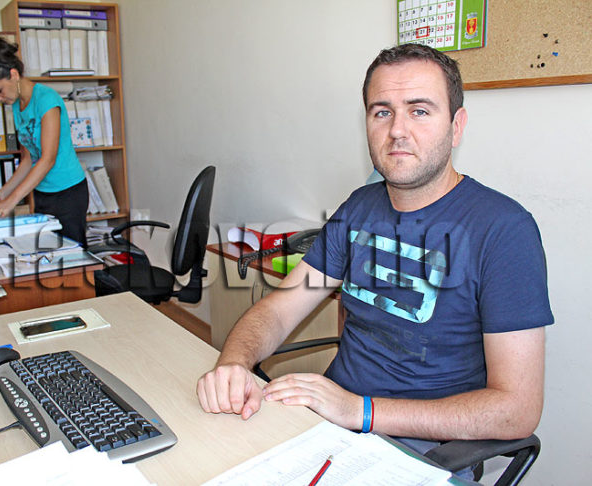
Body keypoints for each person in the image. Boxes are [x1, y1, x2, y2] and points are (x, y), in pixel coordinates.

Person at [196, 44, 553, 456]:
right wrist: (234, 364)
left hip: (418, 449)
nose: (397, 130)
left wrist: (361, 411)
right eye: (382, 112)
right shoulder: (359, 207)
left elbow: (517, 410)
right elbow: (278, 310)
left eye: (419, 111)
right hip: (327, 423)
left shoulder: (504, 230)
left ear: (456, 127)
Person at [0, 36, 89, 245]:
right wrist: (1, 195)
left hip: (68, 193)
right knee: (46, 253)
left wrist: (12, 200)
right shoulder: (17, 105)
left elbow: (47, 159)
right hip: (42, 193)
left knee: (72, 256)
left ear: (13, 74)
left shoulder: (46, 100)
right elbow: (28, 160)